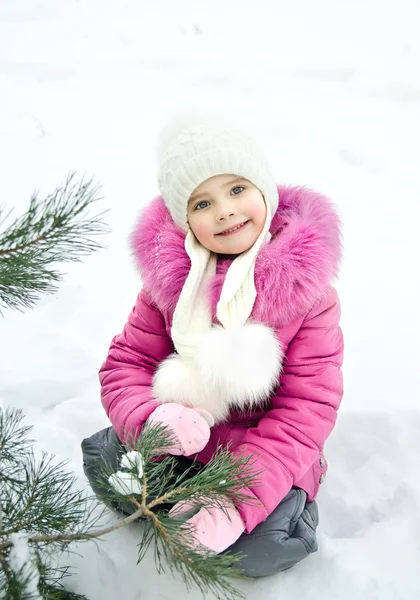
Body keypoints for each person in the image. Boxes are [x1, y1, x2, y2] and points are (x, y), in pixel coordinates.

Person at [81, 117, 344, 577]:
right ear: (184, 218)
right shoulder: (168, 285)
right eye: (203, 202)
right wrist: (151, 420)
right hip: (183, 443)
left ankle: (222, 515)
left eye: (238, 189)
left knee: (266, 547)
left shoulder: (309, 295)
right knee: (104, 458)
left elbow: (307, 410)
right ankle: (177, 507)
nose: (225, 210)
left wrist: (236, 498)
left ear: (266, 191)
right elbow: (127, 363)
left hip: (261, 455)